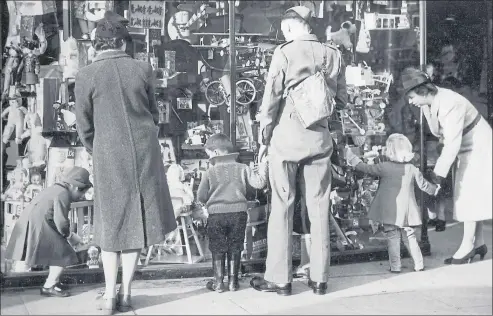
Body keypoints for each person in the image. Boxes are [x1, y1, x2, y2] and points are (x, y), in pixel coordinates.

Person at [74, 12, 176, 314]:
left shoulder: (86, 74)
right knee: (136, 221)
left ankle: (108, 296)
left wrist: (99, 147)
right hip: (145, 151)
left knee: (110, 222)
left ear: (98, 44)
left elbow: (84, 125)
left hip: (107, 153)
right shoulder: (142, 68)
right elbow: (155, 114)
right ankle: (127, 293)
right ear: (121, 42)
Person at [250, 6, 347, 296]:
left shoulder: (285, 52)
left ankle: (280, 280)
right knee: (319, 207)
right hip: (320, 140)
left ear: (292, 27)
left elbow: (270, 98)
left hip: (286, 139)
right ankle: (319, 279)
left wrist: (263, 134)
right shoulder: (334, 54)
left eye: (284, 30)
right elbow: (340, 100)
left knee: (282, 205)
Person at [402, 67, 492, 264]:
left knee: (467, 193)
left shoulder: (449, 102)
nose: (410, 101)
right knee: (469, 193)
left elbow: (452, 143)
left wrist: (437, 176)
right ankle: (479, 244)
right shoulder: (429, 104)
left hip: (479, 146)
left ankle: (468, 246)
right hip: (466, 147)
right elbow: (441, 134)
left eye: (411, 96)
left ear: (423, 91)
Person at [345, 134, 440, 273]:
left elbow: (365, 168)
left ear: (389, 151)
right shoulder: (412, 168)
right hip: (407, 211)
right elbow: (424, 185)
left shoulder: (384, 167)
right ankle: (419, 264)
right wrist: (435, 190)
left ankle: (395, 267)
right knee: (410, 237)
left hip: (390, 211)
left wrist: (351, 157)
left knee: (392, 238)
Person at [5, 167, 92, 297]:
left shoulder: (56, 188)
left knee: (57, 252)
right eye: (81, 194)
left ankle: (53, 282)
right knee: (63, 253)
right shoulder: (63, 194)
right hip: (40, 223)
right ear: (75, 187)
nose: (80, 197)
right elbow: (61, 222)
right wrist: (70, 235)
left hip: (36, 221)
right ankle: (49, 286)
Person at [197, 133, 268, 292]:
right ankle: (233, 283)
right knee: (236, 246)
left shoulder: (209, 172)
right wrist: (263, 165)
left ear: (215, 153)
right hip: (239, 214)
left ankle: (218, 283)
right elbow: (259, 183)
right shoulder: (243, 168)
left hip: (216, 215)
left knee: (218, 247)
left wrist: (207, 202)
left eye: (208, 155)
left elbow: (201, 196)